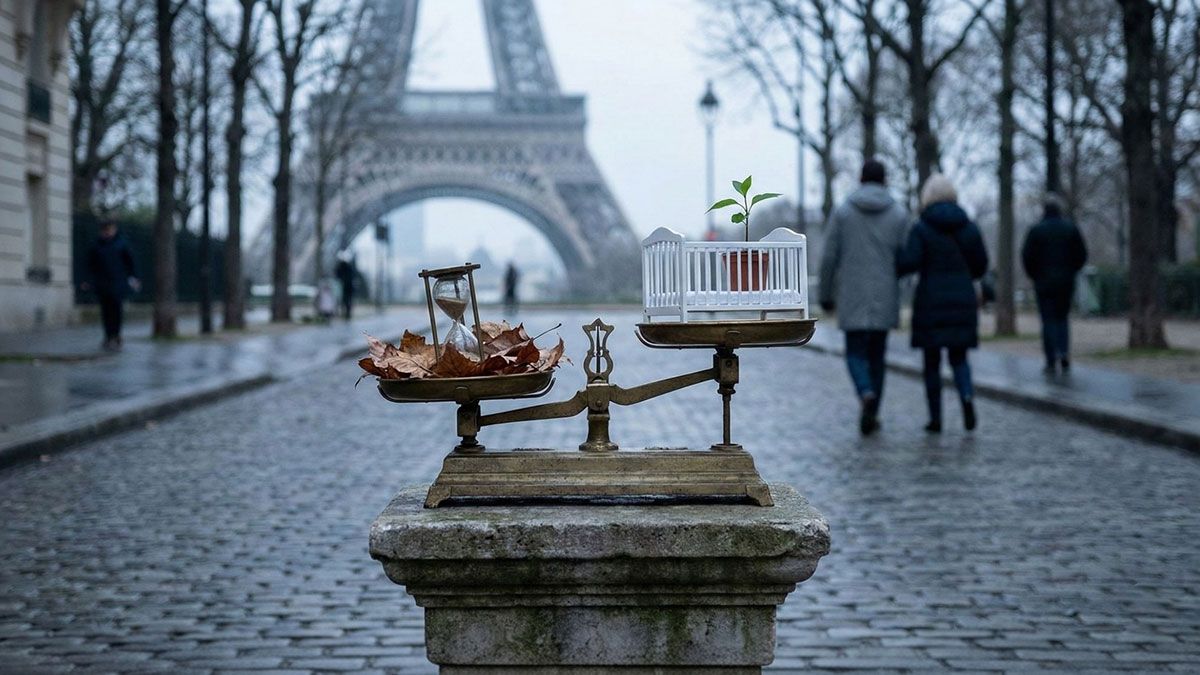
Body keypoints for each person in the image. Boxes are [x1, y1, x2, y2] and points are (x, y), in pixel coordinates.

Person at [818, 159, 910, 435]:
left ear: (860, 179)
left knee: (855, 353)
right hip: (885, 295)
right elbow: (905, 258)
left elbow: (829, 257)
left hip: (852, 295)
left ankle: (865, 392)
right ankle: (874, 408)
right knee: (878, 357)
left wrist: (825, 294)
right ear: (884, 181)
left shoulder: (844, 211)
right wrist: (903, 293)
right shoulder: (899, 214)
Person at [898, 174, 989, 433]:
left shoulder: (922, 228)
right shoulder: (969, 228)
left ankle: (935, 418)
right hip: (962, 300)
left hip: (931, 301)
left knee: (932, 363)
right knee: (960, 358)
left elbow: (910, 262)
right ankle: (967, 399)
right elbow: (981, 264)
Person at [1021, 194, 1088, 374]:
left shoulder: (1036, 230)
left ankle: (1051, 358)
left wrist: (1034, 274)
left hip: (1043, 282)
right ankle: (1064, 351)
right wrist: (1072, 270)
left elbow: (1027, 256)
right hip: (1065, 281)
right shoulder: (1070, 228)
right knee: (1062, 318)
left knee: (1047, 320)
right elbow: (1081, 254)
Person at [85, 218, 140, 351]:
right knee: (106, 311)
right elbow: (89, 264)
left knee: (116, 310)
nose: (108, 232)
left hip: (117, 282)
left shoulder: (122, 244)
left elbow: (131, 262)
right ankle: (108, 335)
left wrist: (135, 277)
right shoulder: (97, 245)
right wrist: (86, 280)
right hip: (102, 283)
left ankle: (115, 334)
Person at [335, 252, 357, 319]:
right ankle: (347, 314)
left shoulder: (340, 267)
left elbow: (337, 275)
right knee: (347, 301)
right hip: (347, 286)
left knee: (344, 301)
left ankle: (345, 314)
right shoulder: (349, 267)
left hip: (344, 286)